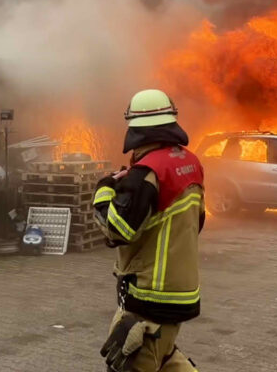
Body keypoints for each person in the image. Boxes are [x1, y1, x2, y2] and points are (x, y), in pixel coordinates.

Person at [94, 89, 205, 372]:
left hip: (149, 298)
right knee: (164, 356)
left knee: (132, 362)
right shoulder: (190, 163)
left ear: (136, 129)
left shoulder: (146, 173)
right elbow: (197, 222)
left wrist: (105, 189)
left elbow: (117, 231)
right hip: (181, 292)